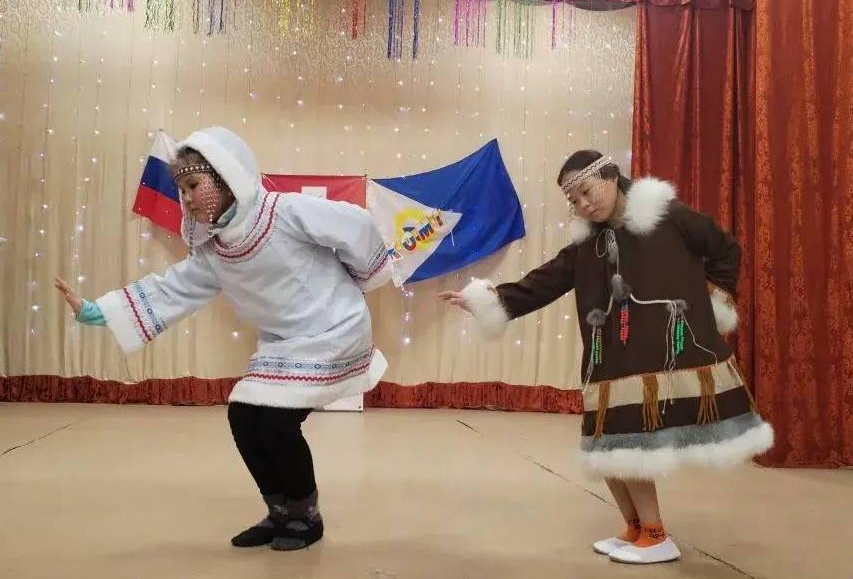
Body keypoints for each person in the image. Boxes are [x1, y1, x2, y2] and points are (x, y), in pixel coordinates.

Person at [56, 126, 392, 551]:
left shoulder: (284, 212)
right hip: (283, 341)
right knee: (244, 417)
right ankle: (280, 512)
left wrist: (364, 276)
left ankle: (307, 519)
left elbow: (356, 225)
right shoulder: (214, 251)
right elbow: (170, 289)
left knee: (276, 422)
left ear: (227, 179)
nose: (187, 198)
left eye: (194, 185)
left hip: (333, 329)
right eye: (182, 190)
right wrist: (97, 311)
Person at [440, 150, 773, 565]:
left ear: (612, 176)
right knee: (605, 445)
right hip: (608, 356)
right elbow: (545, 281)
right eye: (574, 199)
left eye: (587, 191)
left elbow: (725, 249)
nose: (583, 204)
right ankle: (636, 528)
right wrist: (489, 298)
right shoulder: (588, 244)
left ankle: (656, 536)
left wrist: (712, 303)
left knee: (628, 444)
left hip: (658, 353)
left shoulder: (668, 216)